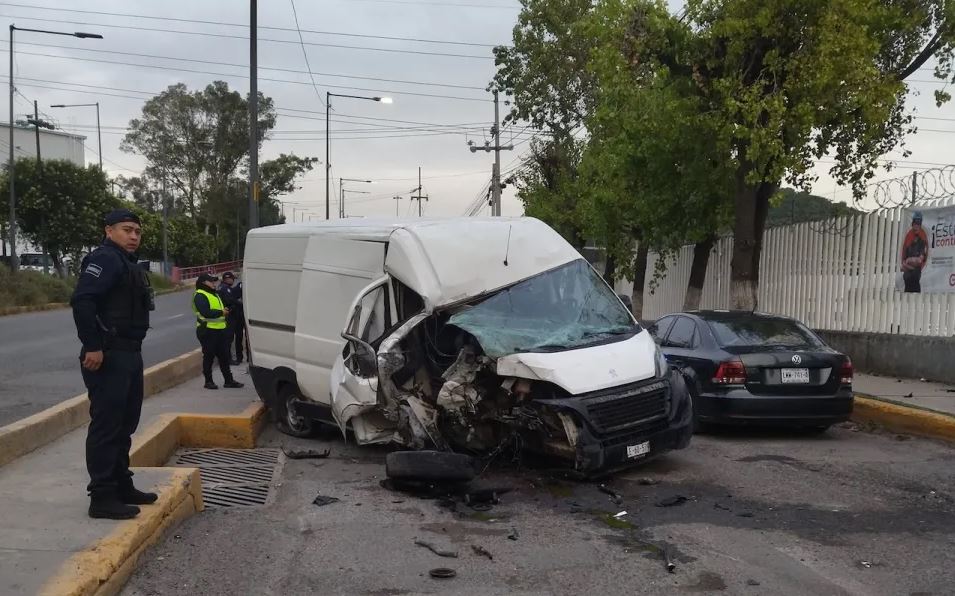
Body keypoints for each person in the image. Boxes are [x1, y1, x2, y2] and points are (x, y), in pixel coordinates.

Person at [70, 209, 157, 520]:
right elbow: (83, 301)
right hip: (109, 355)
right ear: (109, 231)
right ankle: (102, 496)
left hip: (129, 353)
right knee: (107, 427)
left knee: (125, 425)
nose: (133, 236)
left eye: (137, 231)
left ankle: (121, 485)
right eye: (126, 229)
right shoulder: (105, 258)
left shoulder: (126, 262)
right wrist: (93, 345)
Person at [193, 273, 244, 390]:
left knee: (224, 356)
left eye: (214, 281)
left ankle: (229, 381)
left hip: (220, 330)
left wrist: (226, 309)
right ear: (204, 283)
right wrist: (222, 312)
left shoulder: (214, 294)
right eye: (211, 281)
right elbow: (206, 312)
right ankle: (208, 381)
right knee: (209, 356)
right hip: (207, 331)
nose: (214, 283)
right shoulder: (200, 295)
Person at [217, 271, 245, 365]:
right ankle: (228, 359)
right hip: (229, 316)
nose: (231, 280)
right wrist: (241, 304)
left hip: (231, 316)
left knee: (233, 337)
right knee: (229, 339)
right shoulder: (225, 288)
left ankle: (236, 357)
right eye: (230, 279)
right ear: (227, 279)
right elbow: (230, 300)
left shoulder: (224, 287)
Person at [901, 211, 929, 293]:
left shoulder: (922, 239)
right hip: (907, 275)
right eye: (915, 223)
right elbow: (904, 261)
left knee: (915, 292)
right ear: (912, 223)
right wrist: (908, 262)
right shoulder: (908, 238)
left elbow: (920, 260)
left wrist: (909, 261)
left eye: (918, 223)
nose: (917, 225)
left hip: (915, 274)